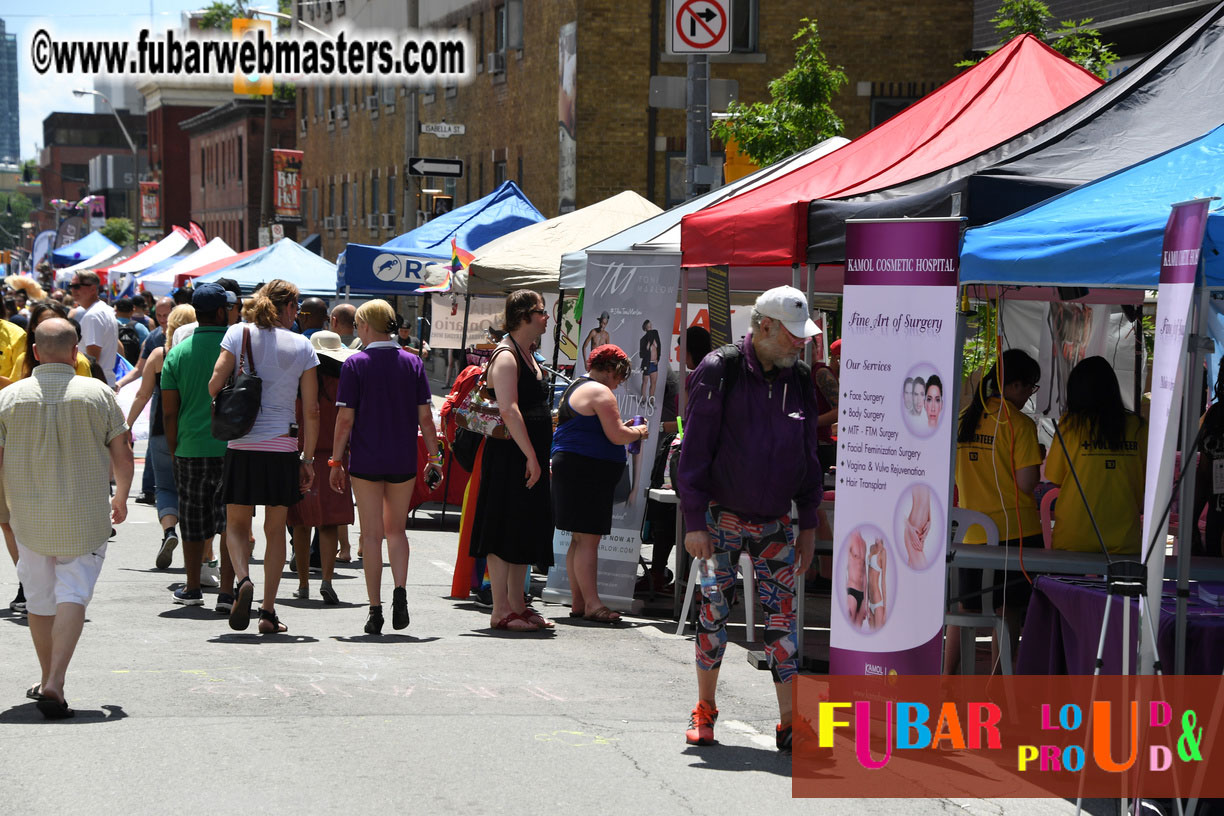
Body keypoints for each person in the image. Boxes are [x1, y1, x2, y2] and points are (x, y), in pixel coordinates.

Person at [676, 285, 822, 752]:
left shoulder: (799, 377)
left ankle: (789, 723)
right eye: (793, 335)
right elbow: (694, 452)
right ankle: (705, 710)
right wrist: (695, 519)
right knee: (714, 613)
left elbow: (807, 454)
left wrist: (810, 520)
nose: (802, 343)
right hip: (720, 517)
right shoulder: (720, 369)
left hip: (777, 520)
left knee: (784, 621)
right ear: (763, 327)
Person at [0, 318, 132, 718]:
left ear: (35, 353)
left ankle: (47, 678)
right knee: (73, 593)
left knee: (39, 600)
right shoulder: (98, 393)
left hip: (27, 514)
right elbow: (123, 453)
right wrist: (122, 496)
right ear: (75, 352)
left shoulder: (9, 398)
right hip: (84, 512)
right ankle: (54, 680)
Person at [208, 279, 319, 634]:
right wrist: (308, 458)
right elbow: (312, 409)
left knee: (237, 525)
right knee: (275, 531)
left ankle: (242, 579)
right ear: (288, 308)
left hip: (242, 445)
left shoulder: (238, 335)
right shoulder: (303, 345)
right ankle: (268, 612)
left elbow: (213, 384)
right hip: (282, 447)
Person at [330, 301, 440, 633]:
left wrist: (336, 460)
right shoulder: (412, 362)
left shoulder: (355, 363)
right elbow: (426, 416)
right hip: (402, 458)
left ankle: (375, 608)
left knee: (372, 535)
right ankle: (401, 593)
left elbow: (345, 420)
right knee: (396, 531)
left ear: (364, 326)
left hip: (366, 459)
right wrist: (435, 457)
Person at [949, 349, 1043, 674]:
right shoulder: (1019, 424)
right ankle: (1001, 680)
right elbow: (1028, 483)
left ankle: (946, 678)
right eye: (1031, 387)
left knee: (966, 609)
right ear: (1015, 385)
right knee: (1008, 611)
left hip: (970, 533)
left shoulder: (963, 417)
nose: (1031, 394)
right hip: (1016, 531)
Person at [468, 289, 555, 632]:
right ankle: (501, 609)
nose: (547, 317)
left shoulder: (527, 353)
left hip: (526, 452)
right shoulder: (506, 355)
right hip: (510, 454)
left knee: (524, 526)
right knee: (504, 526)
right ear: (523, 316)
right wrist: (531, 455)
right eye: (541, 312)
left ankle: (518, 604)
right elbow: (508, 409)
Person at [161, 281, 244, 612]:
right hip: (233, 448)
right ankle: (226, 592)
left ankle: (193, 587)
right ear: (223, 311)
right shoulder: (237, 351)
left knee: (193, 521)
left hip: (189, 448)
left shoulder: (177, 353)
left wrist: (173, 448)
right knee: (230, 522)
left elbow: (169, 411)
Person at [552, 344, 647, 623]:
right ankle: (593, 604)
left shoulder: (577, 385)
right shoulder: (599, 391)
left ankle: (580, 602)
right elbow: (617, 435)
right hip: (586, 470)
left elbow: (603, 429)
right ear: (610, 370)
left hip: (575, 467)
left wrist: (624, 430)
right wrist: (638, 431)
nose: (618, 384)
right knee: (589, 540)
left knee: (579, 539)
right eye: (618, 377)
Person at [638, 326, 712, 597]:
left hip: (689, 458)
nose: (680, 354)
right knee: (665, 518)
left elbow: (692, 422)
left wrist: (660, 426)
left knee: (675, 519)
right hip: (677, 455)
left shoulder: (703, 377)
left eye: (682, 349)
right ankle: (664, 575)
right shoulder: (696, 376)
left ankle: (679, 579)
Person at [1045, 356, 1146, 554]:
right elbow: (1149, 481)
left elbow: (1056, 478)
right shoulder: (1138, 427)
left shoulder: (1069, 426)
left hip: (1074, 536)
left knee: (1067, 586)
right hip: (1125, 538)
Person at [288, 331, 357, 605]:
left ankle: (304, 584)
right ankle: (327, 580)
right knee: (329, 525)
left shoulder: (300, 382)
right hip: (335, 458)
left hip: (301, 454)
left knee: (300, 525)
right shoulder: (345, 382)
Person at [126, 303, 193, 576]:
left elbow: (142, 395)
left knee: (165, 486)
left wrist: (126, 425)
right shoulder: (206, 353)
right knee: (194, 489)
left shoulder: (160, 354)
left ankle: (168, 530)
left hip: (161, 429)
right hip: (195, 430)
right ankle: (198, 546)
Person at [70, 271, 119, 388]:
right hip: (102, 382)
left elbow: (92, 359)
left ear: (93, 289)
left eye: (77, 286)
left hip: (94, 384)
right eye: (71, 286)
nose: (73, 290)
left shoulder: (93, 316)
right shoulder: (103, 310)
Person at [812, 337, 840, 471]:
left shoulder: (821, 373)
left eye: (807, 347)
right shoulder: (791, 372)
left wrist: (810, 422)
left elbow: (839, 411)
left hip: (820, 446)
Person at [639, 319, 661, 400]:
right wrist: (647, 347)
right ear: (645, 328)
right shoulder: (643, 340)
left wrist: (658, 359)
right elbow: (641, 355)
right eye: (648, 327)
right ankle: (643, 398)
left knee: (653, 383)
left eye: (650, 326)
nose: (650, 328)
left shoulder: (655, 336)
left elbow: (659, 349)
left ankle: (651, 399)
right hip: (647, 364)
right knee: (645, 382)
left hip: (654, 364)